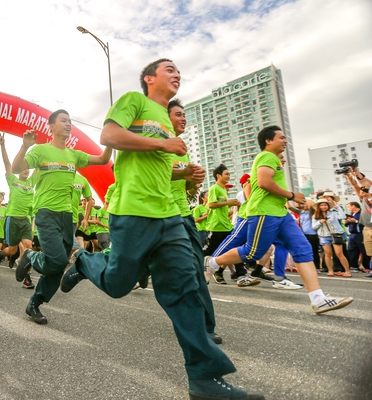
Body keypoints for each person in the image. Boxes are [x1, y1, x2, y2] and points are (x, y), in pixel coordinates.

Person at [59, 59, 261, 400]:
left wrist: (184, 174)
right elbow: (109, 136)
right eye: (169, 69)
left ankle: (204, 379)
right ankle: (83, 262)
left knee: (186, 290)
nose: (177, 73)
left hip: (169, 217)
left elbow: (159, 171)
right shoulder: (133, 103)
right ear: (149, 78)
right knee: (118, 284)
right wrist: (163, 145)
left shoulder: (168, 126)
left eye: (179, 70)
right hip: (133, 212)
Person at [206, 125, 353, 314]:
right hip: (264, 212)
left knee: (302, 248)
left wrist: (290, 201)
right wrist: (292, 195)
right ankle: (211, 263)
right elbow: (264, 182)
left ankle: (318, 299)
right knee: (253, 252)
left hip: (281, 214)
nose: (285, 140)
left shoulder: (274, 160)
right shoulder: (266, 156)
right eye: (281, 137)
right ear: (268, 141)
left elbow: (273, 184)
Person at [13, 109, 112, 325]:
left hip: (68, 217)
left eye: (70, 121)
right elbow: (16, 168)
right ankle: (30, 256)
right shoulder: (40, 150)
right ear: (51, 126)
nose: (68, 124)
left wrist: (111, 137)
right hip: (46, 213)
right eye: (64, 121)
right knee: (57, 260)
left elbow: (104, 158)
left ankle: (34, 304)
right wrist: (25, 146)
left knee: (58, 265)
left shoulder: (74, 155)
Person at [168, 99, 222, 344]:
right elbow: (151, 174)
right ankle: (85, 263)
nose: (183, 118)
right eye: (178, 114)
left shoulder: (183, 150)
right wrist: (183, 173)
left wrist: (192, 180)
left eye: (185, 115)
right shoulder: (156, 144)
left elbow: (185, 186)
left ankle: (205, 326)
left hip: (183, 215)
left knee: (194, 270)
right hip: (159, 217)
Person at [0, 133, 36, 288]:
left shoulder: (32, 182)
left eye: (28, 168)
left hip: (25, 220)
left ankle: (27, 278)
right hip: (13, 219)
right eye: (23, 168)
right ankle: (1, 254)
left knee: (28, 247)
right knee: (11, 251)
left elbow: (40, 166)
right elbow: (7, 164)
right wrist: (2, 146)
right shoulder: (12, 180)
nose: (26, 170)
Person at [206, 164, 256, 286]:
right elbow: (211, 205)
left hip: (226, 226)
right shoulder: (215, 188)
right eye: (226, 174)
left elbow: (221, 205)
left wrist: (232, 205)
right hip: (216, 226)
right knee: (209, 252)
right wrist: (229, 202)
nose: (229, 176)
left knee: (234, 249)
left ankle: (241, 276)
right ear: (218, 176)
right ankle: (198, 269)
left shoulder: (223, 190)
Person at [312, 199, 352, 277]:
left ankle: (347, 271)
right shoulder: (315, 216)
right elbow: (313, 227)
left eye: (325, 205)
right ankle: (330, 270)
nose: (323, 207)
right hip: (324, 235)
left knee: (339, 253)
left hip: (335, 234)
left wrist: (337, 208)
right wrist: (320, 222)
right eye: (321, 205)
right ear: (318, 207)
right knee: (327, 254)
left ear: (328, 206)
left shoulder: (333, 213)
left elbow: (342, 217)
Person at [344, 201, 367, 272]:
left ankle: (366, 267)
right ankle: (354, 266)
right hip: (352, 234)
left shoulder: (362, 213)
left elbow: (365, 222)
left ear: (353, 206)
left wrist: (356, 221)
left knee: (363, 250)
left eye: (349, 206)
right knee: (352, 250)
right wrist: (347, 222)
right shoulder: (351, 214)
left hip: (360, 233)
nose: (348, 208)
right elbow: (347, 225)